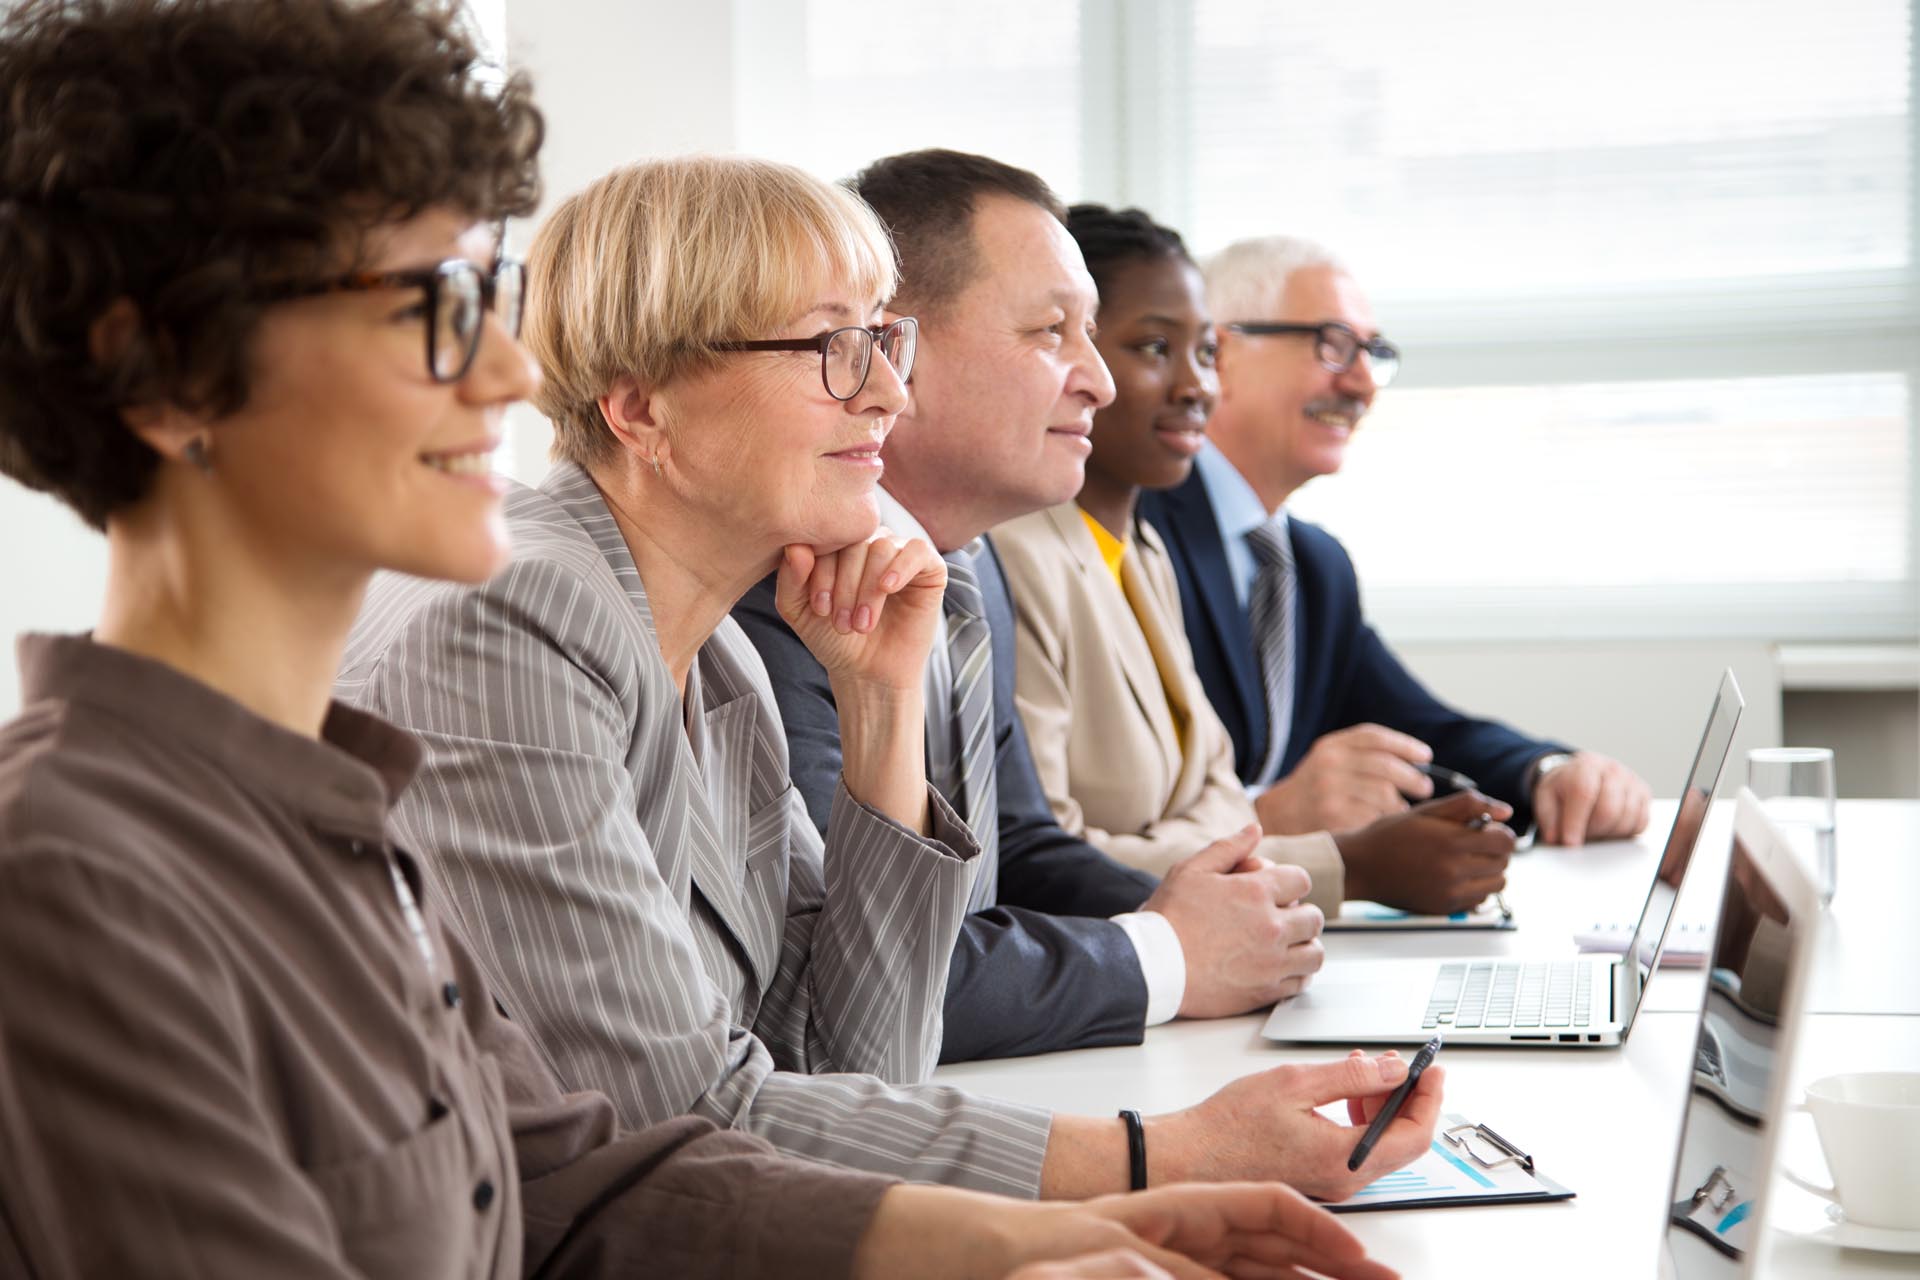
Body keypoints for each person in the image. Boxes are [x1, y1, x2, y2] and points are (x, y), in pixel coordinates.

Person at [0, 3, 1402, 1276]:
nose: (506, 371)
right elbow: (687, 1120)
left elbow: (589, 1176)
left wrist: (1080, 1230)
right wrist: (1134, 1169)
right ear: (164, 371)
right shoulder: (72, 874)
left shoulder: (325, 802)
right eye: (435, 310)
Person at [342, 151, 1441, 1207]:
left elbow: (854, 1054)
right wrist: (1164, 1153)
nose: (885, 394)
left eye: (884, 339)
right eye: (831, 345)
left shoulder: (717, 653)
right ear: (640, 407)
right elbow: (677, 1124)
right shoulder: (520, 613)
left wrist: (882, 707)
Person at [736, 147, 1446, 1192]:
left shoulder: (968, 563)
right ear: (898, 349)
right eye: (1050, 331)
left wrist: (1219, 914)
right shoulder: (788, 587)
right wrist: (1165, 955)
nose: (1101, 378)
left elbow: (1017, 849)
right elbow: (854, 980)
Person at [992, 205, 1517, 916]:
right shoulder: (1014, 554)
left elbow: (1217, 800)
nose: (1196, 385)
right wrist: (1340, 862)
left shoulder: (1146, 552)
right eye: (1153, 347)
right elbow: (1045, 856)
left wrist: (1545, 775)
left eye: (1205, 354)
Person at [1138, 235, 1653, 847]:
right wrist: (1265, 814)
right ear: (1219, 352)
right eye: (1333, 345)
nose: (1362, 383)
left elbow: (1424, 730)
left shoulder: (1312, 564)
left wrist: (1550, 772)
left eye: (1372, 351)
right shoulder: (1133, 529)